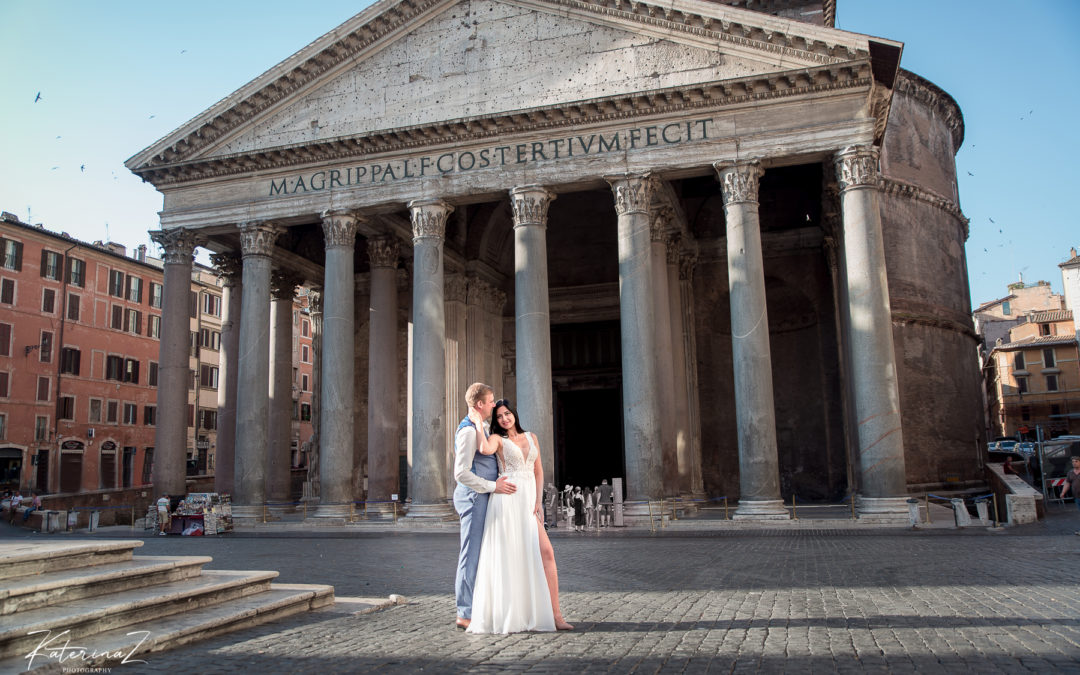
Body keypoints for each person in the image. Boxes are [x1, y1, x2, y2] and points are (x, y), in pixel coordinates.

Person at [466, 399, 573, 633]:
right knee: (513, 557)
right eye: (499, 417)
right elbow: (484, 449)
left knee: (546, 553)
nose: (504, 419)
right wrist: (476, 422)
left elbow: (539, 471)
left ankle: (555, 615)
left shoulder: (532, 437)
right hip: (507, 500)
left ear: (514, 414)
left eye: (507, 414)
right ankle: (513, 614)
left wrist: (538, 501)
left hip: (529, 502)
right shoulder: (497, 439)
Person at [452, 382, 516, 630]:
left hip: (479, 496)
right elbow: (461, 473)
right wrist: (493, 487)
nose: (493, 404)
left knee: (479, 553)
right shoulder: (468, 431)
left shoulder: (478, 426)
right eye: (490, 401)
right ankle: (464, 612)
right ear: (479, 404)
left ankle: (475, 606)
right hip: (474, 497)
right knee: (470, 555)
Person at [1058, 456, 1080, 535]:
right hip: (1077, 497)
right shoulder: (1070, 473)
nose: (1074, 463)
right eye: (1073, 462)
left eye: (1076, 461)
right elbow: (1067, 483)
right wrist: (1063, 492)